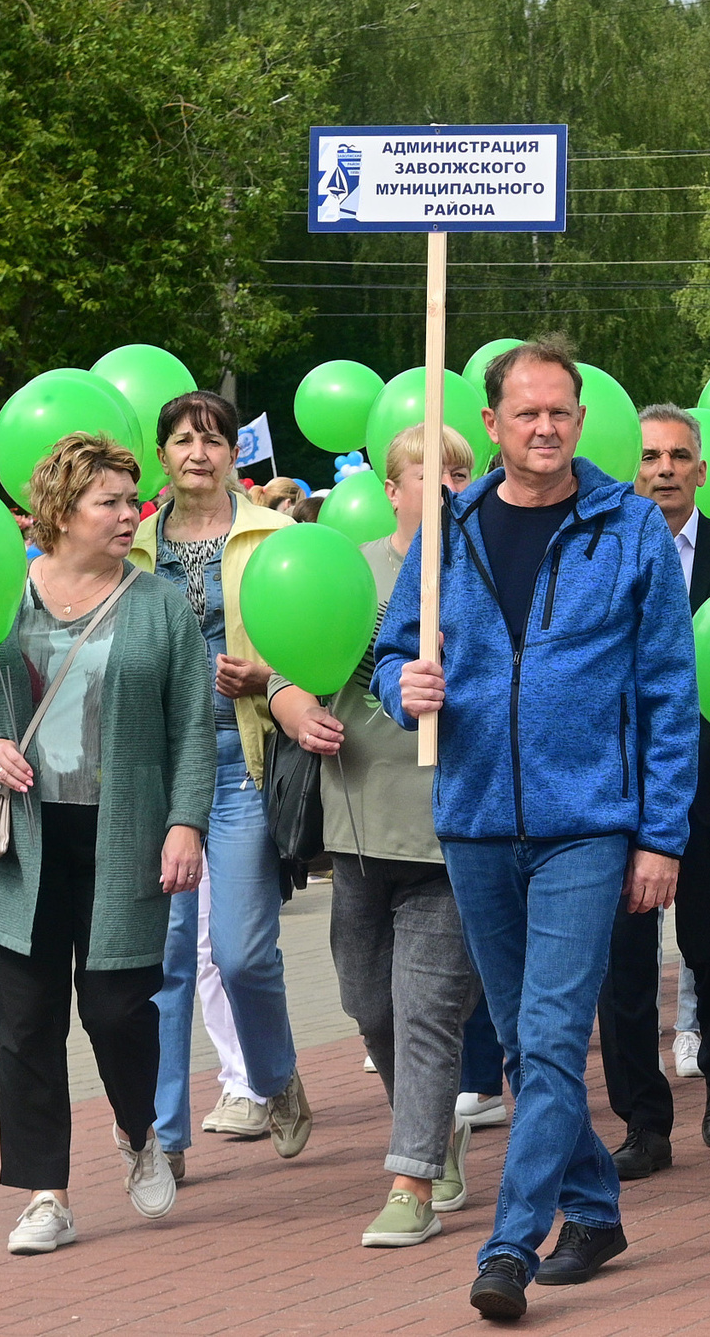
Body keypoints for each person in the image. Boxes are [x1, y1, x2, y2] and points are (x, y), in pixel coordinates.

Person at [374, 337, 700, 1320]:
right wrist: (404, 687)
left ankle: (511, 1244)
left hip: (587, 824)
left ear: (579, 420)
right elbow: (392, 653)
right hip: (474, 820)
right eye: (528, 413)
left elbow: (670, 695)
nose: (546, 428)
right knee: (524, 1044)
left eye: (561, 411)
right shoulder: (448, 529)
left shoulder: (629, 528)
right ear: (492, 424)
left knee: (553, 1038)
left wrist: (661, 834)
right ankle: (594, 1210)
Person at [0, 431, 214, 1255]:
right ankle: (46, 1193)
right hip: (23, 838)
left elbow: (192, 724)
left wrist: (186, 819)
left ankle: (137, 1129)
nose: (132, 514)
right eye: (112, 501)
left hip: (124, 833)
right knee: (26, 1021)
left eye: (133, 499)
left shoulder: (157, 602)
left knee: (119, 1009)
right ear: (62, 509)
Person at [271, 422, 482, 1247]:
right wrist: (294, 708)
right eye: (428, 474)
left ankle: (411, 1181)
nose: (446, 488)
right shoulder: (350, 568)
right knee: (369, 1002)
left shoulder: (489, 569)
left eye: (461, 474)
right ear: (390, 488)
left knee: (427, 1005)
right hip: (359, 821)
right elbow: (287, 662)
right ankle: (431, 1130)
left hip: (452, 823)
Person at [131, 390, 311, 1168]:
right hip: (155, 772)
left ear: (234, 452)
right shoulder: (133, 543)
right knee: (162, 960)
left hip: (243, 761)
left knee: (240, 954)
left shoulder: (276, 535)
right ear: (161, 455)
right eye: (181, 440)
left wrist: (266, 674)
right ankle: (162, 1137)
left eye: (212, 439)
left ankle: (276, 1077)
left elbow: (322, 646)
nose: (197, 452)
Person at [596, 406, 710, 1179]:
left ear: (702, 469)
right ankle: (644, 1119)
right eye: (650, 455)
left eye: (679, 455)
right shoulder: (598, 547)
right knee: (622, 958)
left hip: (709, 775)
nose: (664, 467)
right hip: (613, 780)